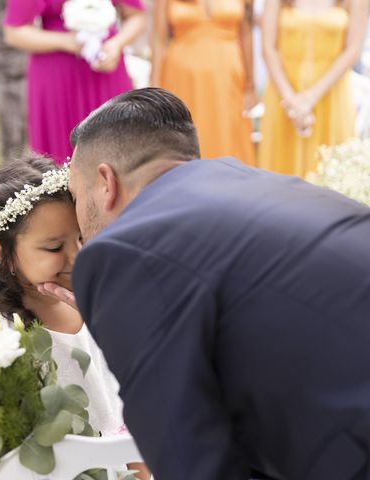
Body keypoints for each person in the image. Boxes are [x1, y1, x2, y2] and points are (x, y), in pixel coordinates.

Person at [39, 87, 370, 479]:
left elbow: (189, 458)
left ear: (106, 183)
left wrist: (116, 301)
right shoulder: (252, 185)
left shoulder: (123, 252)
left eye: (76, 196)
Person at [0, 156, 151, 479]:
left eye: (81, 238)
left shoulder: (97, 304)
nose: (76, 256)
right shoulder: (1, 338)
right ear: (3, 255)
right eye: (53, 248)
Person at [3, 0, 146, 165]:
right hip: (55, 76)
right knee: (59, 154)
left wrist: (116, 44)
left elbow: (136, 16)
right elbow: (14, 32)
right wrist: (65, 41)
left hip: (106, 69)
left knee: (117, 146)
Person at [258, 0, 368, 177]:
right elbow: (268, 48)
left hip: (332, 95)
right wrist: (291, 101)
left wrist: (310, 97)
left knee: (330, 174)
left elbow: (353, 50)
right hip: (284, 94)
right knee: (279, 178)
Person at [150, 0, 256, 165]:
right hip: (182, 79)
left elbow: (247, 34)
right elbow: (158, 40)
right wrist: (153, 92)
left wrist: (250, 86)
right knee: (183, 142)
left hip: (228, 81)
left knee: (228, 141)